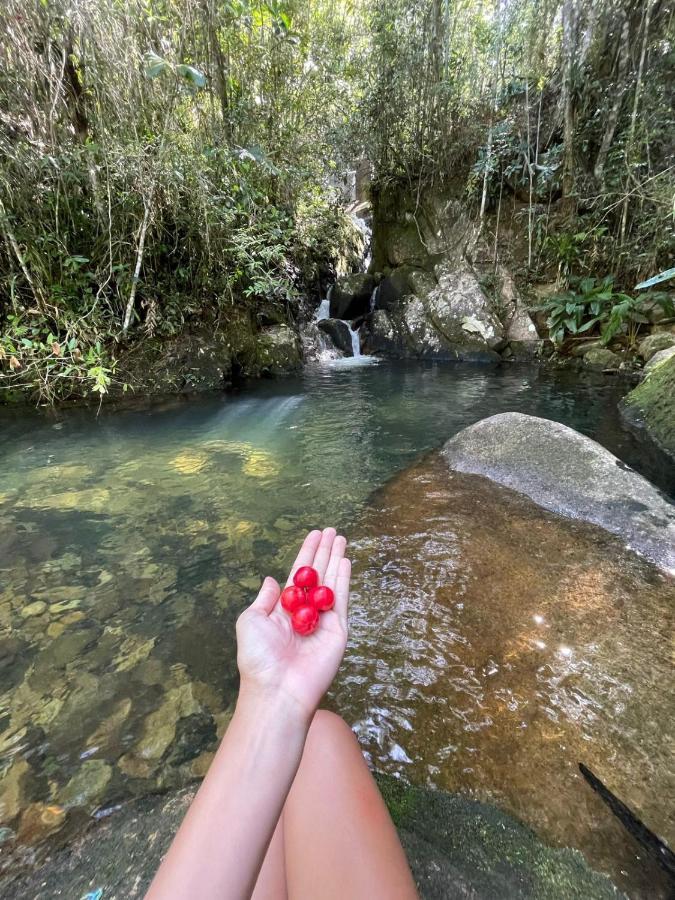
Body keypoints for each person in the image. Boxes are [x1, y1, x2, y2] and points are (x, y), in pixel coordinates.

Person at [146, 528, 419, 900]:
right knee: (321, 735)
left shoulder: (304, 602)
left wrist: (269, 698)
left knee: (315, 734)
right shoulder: (305, 602)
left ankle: (278, 718)